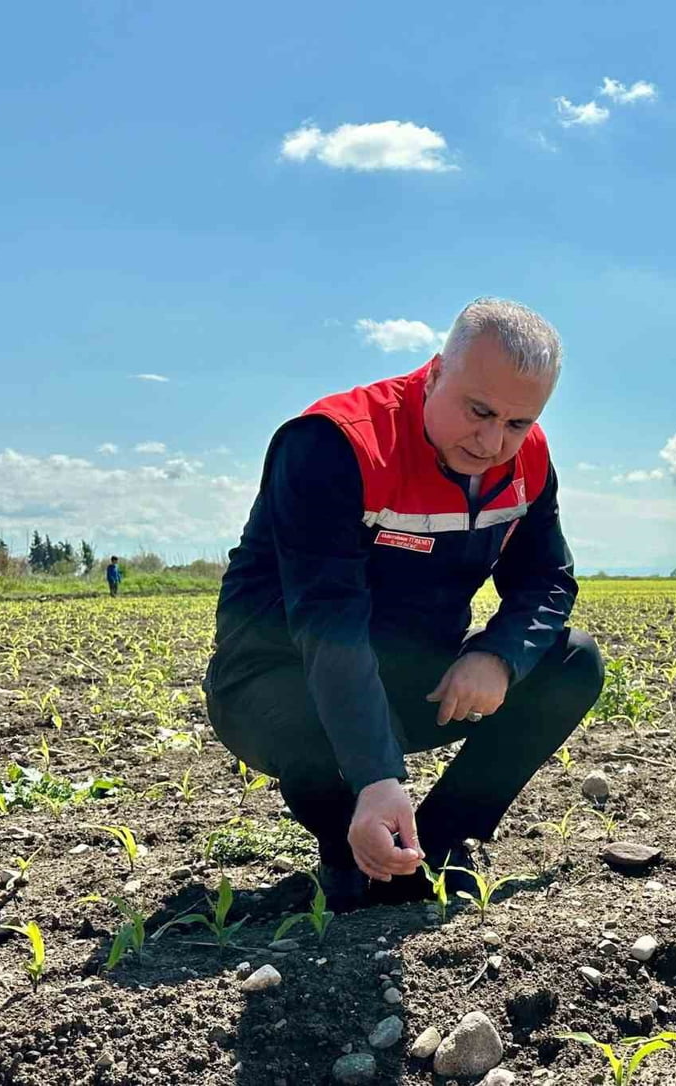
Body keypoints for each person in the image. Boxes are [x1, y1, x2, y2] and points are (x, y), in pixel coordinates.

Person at [203, 298, 604, 911]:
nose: (494, 440)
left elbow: (547, 578)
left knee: (570, 662)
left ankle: (440, 842)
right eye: (480, 411)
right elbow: (327, 622)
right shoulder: (336, 445)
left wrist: (498, 656)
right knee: (317, 729)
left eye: (519, 423)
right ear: (437, 373)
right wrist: (374, 776)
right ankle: (351, 846)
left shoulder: (526, 461)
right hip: (282, 681)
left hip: (410, 676)